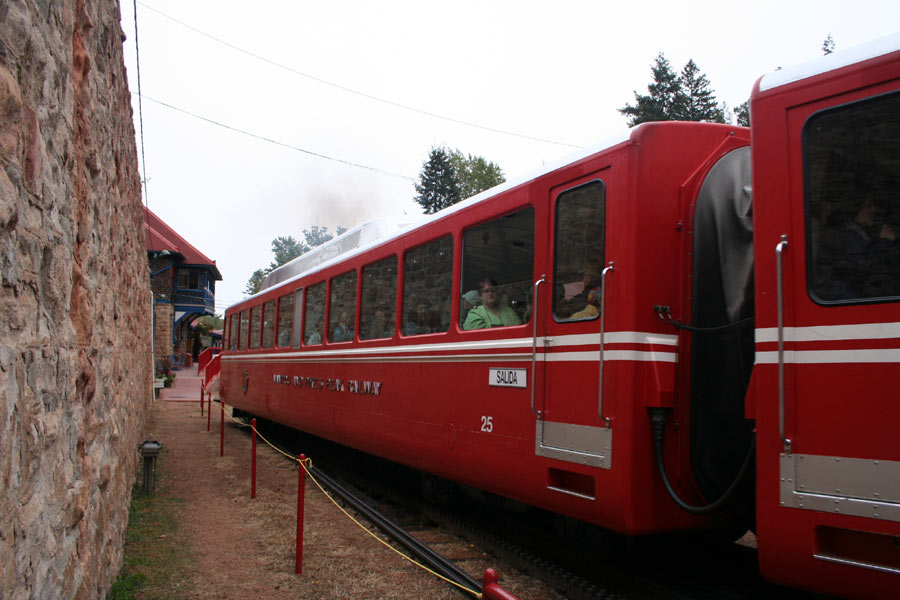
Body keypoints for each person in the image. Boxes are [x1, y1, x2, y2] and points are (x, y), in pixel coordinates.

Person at [815, 195, 899, 300]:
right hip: (840, 296)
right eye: (868, 206)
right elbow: (864, 267)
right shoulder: (843, 235)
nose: (874, 211)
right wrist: (884, 242)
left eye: (875, 206)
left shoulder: (862, 232)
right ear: (855, 209)